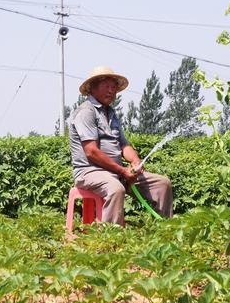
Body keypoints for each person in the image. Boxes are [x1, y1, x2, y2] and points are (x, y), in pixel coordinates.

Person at [68, 66, 173, 225]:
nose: (111, 91)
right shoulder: (86, 112)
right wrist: (122, 170)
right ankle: (111, 240)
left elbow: (124, 145)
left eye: (114, 87)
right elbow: (91, 152)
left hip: (116, 172)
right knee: (116, 189)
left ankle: (163, 231)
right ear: (92, 88)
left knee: (162, 184)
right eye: (106, 86)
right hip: (90, 172)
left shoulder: (111, 113)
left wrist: (135, 162)